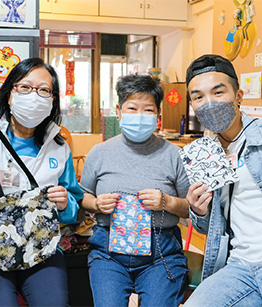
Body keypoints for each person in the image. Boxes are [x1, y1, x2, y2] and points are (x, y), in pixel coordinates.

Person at [0, 57, 84, 306]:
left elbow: (72, 209)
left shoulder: (59, 147)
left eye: (44, 90)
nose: (34, 95)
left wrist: (66, 204)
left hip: (41, 248)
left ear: (53, 99)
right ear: (10, 93)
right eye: (25, 87)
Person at [80, 74, 190, 307]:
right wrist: (97, 204)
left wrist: (168, 202)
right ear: (119, 113)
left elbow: (192, 208)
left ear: (158, 117)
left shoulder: (174, 154)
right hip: (108, 251)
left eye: (148, 110)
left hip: (161, 252)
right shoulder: (99, 153)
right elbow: (82, 196)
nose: (140, 116)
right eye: (132, 108)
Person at [183, 54, 262, 306]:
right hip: (239, 266)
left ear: (239, 96)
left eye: (218, 93)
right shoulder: (202, 153)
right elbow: (209, 228)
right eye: (198, 97)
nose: (209, 103)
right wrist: (199, 211)